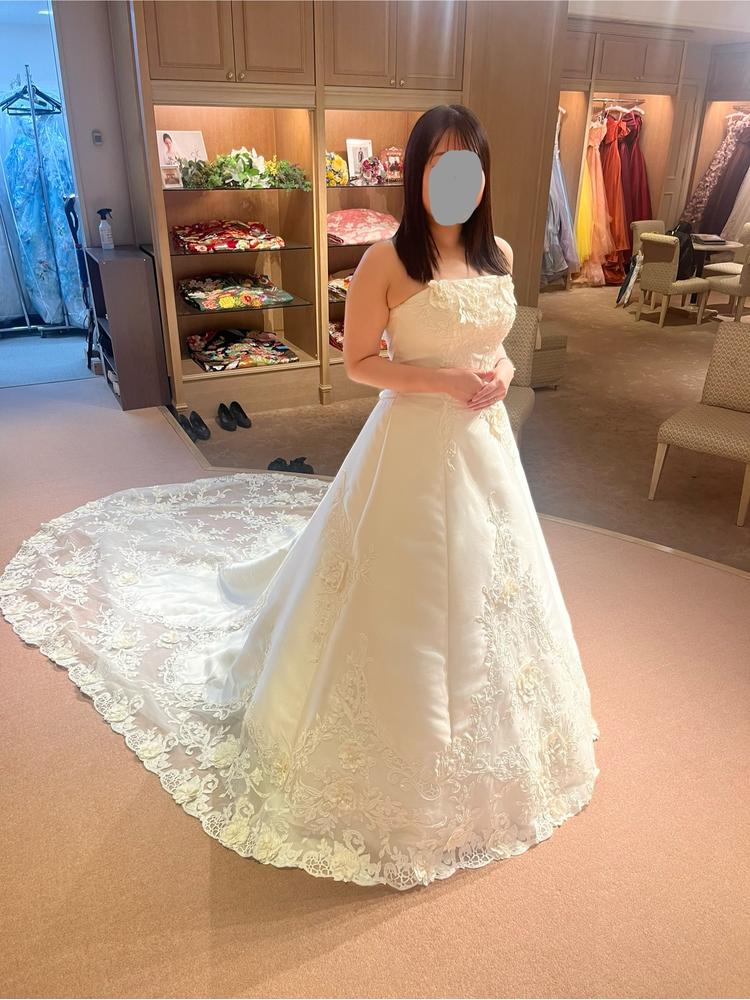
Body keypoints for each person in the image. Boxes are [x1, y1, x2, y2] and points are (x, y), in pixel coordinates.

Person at [0, 104, 600, 891]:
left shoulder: (502, 253)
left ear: (482, 176)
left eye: (469, 166)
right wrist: (444, 381)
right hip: (414, 447)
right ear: (417, 174)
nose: (456, 180)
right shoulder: (389, 259)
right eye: (439, 165)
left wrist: (500, 373)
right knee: (404, 590)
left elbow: (498, 348)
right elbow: (360, 364)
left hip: (484, 450)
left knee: (498, 585)